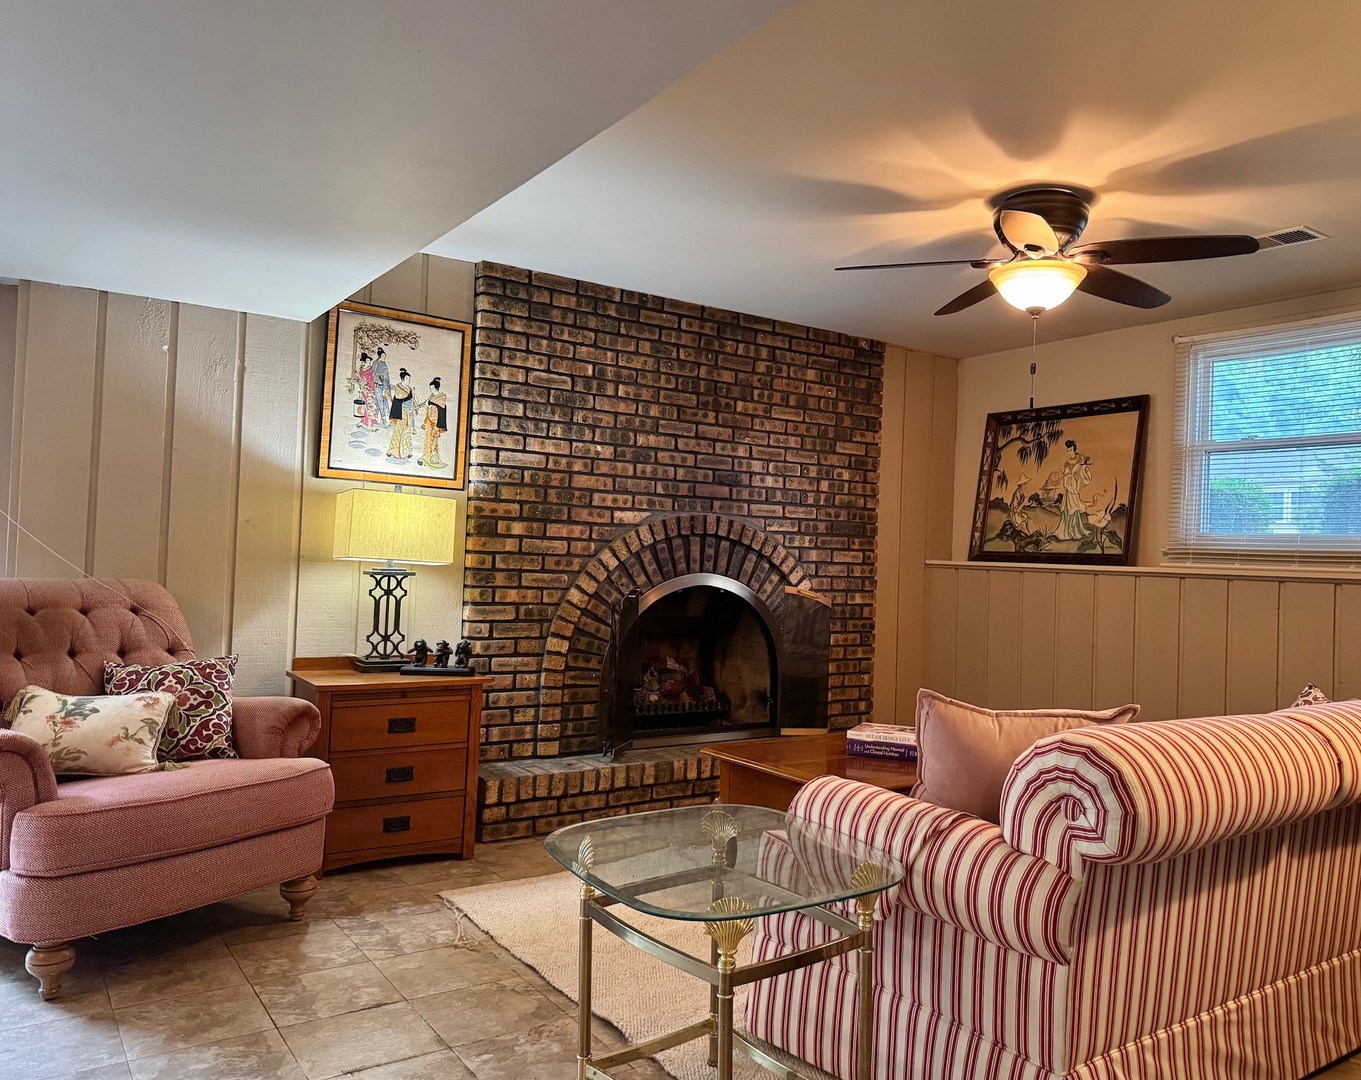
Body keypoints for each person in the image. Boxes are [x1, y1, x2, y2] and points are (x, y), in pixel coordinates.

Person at [1056, 439, 1093, 540]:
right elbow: (1066, 477)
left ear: (1074, 449)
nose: (1069, 452)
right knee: (1069, 510)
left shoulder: (1081, 459)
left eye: (1071, 450)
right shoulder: (1067, 463)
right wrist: (1072, 477)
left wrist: (1079, 475)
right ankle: (1068, 531)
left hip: (1075, 489)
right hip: (1069, 490)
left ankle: (1077, 530)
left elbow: (1085, 471)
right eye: (1068, 451)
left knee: (1075, 509)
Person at [418, 377, 449, 469]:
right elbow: (430, 408)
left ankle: (433, 460)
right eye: (430, 388)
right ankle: (426, 457)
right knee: (427, 441)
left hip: (435, 423)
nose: (431, 390)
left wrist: (430, 405)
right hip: (429, 422)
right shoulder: (432, 397)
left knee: (433, 442)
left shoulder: (441, 397)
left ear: (436, 388)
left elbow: (438, 409)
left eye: (432, 388)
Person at [386, 369, 415, 460]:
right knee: (399, 430)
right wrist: (411, 395)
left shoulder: (409, 389)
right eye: (407, 378)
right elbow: (399, 399)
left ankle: (406, 450)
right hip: (400, 411)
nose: (408, 380)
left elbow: (411, 401)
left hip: (408, 412)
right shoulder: (398, 387)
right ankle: (393, 450)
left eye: (409, 379)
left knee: (407, 431)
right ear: (402, 379)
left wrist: (413, 408)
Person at [355, 353, 379, 429]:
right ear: (364, 361)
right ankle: (364, 421)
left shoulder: (371, 370)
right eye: (368, 361)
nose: (369, 362)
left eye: (369, 361)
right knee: (363, 405)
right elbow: (359, 378)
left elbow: (373, 379)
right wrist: (360, 382)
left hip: (370, 390)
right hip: (363, 389)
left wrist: (369, 387)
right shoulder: (361, 369)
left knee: (370, 406)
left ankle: (372, 422)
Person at [372, 346, 393, 426]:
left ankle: (385, 420)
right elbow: (383, 378)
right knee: (380, 403)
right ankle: (382, 420)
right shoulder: (376, 363)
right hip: (378, 386)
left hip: (383, 387)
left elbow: (386, 379)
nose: (385, 358)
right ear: (380, 356)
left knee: (384, 403)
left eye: (385, 356)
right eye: (383, 356)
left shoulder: (384, 365)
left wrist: (385, 388)